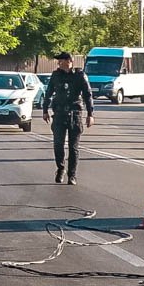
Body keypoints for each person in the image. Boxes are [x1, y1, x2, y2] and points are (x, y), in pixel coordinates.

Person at [42, 51, 93, 185]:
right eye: (58, 61)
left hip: (74, 115)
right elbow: (48, 93)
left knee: (73, 147)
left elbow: (88, 95)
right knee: (58, 145)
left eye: (61, 60)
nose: (59, 63)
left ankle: (72, 175)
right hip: (59, 115)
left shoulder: (80, 75)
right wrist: (45, 110)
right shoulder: (56, 75)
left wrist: (90, 114)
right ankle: (60, 168)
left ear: (69, 61)